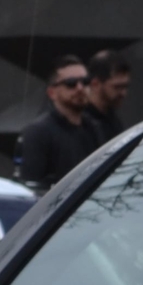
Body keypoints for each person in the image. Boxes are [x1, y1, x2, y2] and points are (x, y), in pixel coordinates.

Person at [14, 54, 92, 194]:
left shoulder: (94, 129)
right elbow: (29, 188)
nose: (80, 88)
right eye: (71, 83)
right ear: (52, 92)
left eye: (85, 81)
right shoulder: (38, 132)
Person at [83, 48, 132, 148]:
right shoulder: (79, 122)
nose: (123, 93)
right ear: (95, 84)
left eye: (125, 87)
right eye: (117, 87)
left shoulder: (113, 120)